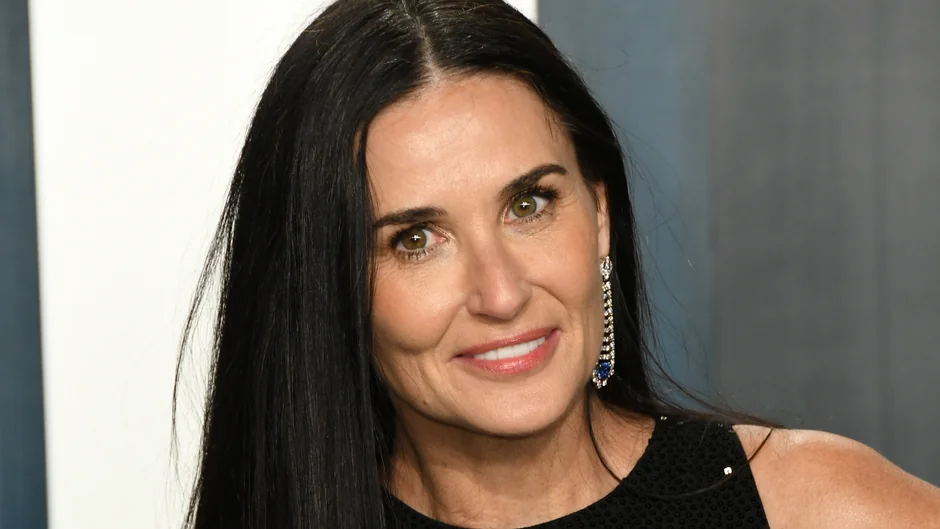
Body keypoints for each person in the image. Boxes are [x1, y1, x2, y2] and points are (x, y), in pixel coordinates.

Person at [174, 0, 940, 527]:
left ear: (599, 214)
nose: (501, 292)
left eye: (528, 203)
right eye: (416, 239)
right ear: (326, 287)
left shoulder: (820, 508)